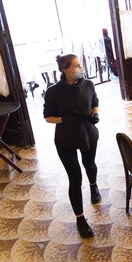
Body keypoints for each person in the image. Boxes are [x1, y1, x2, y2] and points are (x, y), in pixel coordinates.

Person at [43, 54, 101, 239]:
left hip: (87, 133)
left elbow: (95, 102)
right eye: (77, 65)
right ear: (65, 70)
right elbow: (48, 117)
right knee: (75, 178)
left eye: (80, 65)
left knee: (89, 165)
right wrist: (64, 119)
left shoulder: (88, 84)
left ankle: (93, 186)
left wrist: (95, 114)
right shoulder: (53, 92)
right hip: (66, 138)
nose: (80, 68)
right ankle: (80, 219)